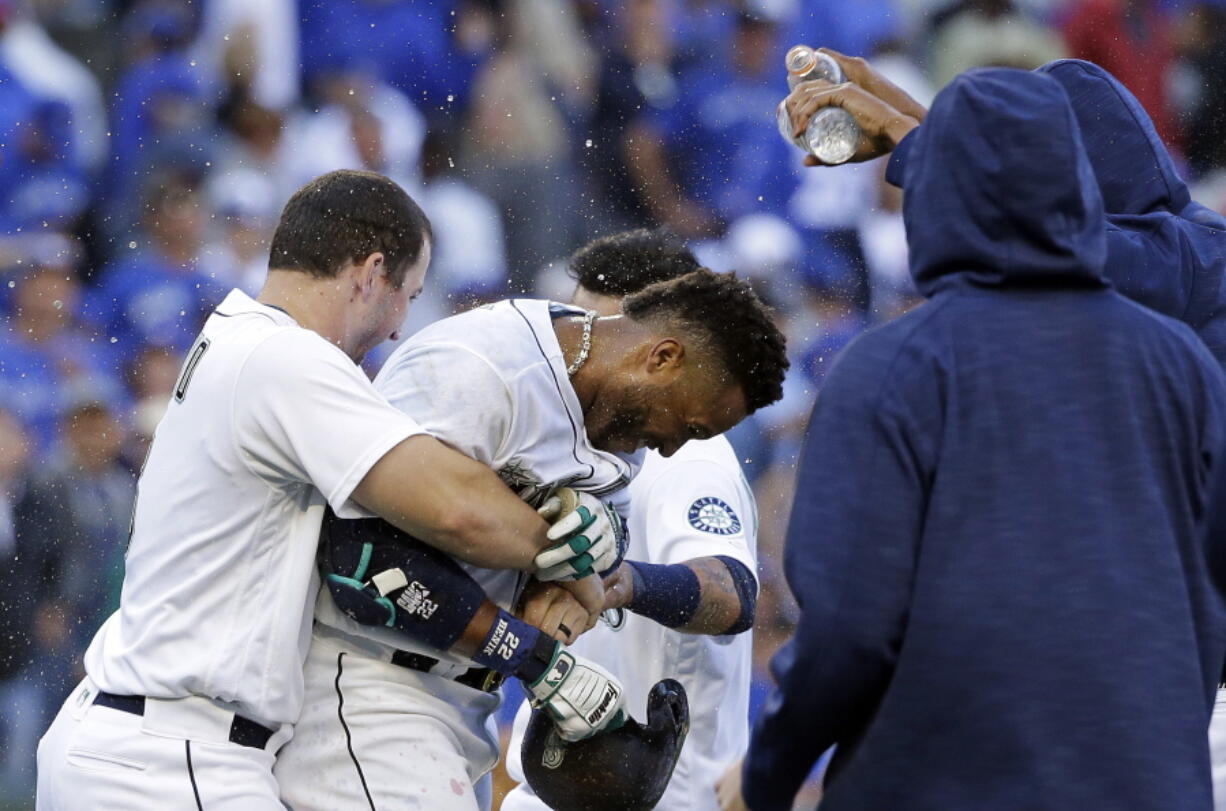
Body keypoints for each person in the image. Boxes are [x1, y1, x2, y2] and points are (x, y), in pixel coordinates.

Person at [719, 69, 1226, 810]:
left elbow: (852, 628)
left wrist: (771, 772)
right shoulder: (1170, 351)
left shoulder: (1186, 262)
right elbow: (1038, 213)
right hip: (1151, 750)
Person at [35, 169, 608, 811]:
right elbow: (455, 511)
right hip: (175, 754)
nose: (397, 328)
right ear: (370, 272)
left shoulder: (237, 337)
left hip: (134, 734)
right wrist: (569, 547)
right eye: (408, 296)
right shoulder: (285, 359)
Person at [273, 253, 788, 810]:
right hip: (367, 687)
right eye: (688, 426)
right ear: (663, 357)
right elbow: (363, 567)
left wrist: (584, 563)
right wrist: (537, 659)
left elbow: (558, 587)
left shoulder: (614, 424)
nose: (671, 448)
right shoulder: (478, 367)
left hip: (456, 704)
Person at [501, 230, 763, 811]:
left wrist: (626, 582)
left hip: (664, 799)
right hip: (545, 788)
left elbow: (734, 593)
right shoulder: (571, 445)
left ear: (659, 347)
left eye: (595, 331)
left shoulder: (689, 459)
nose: (576, 351)